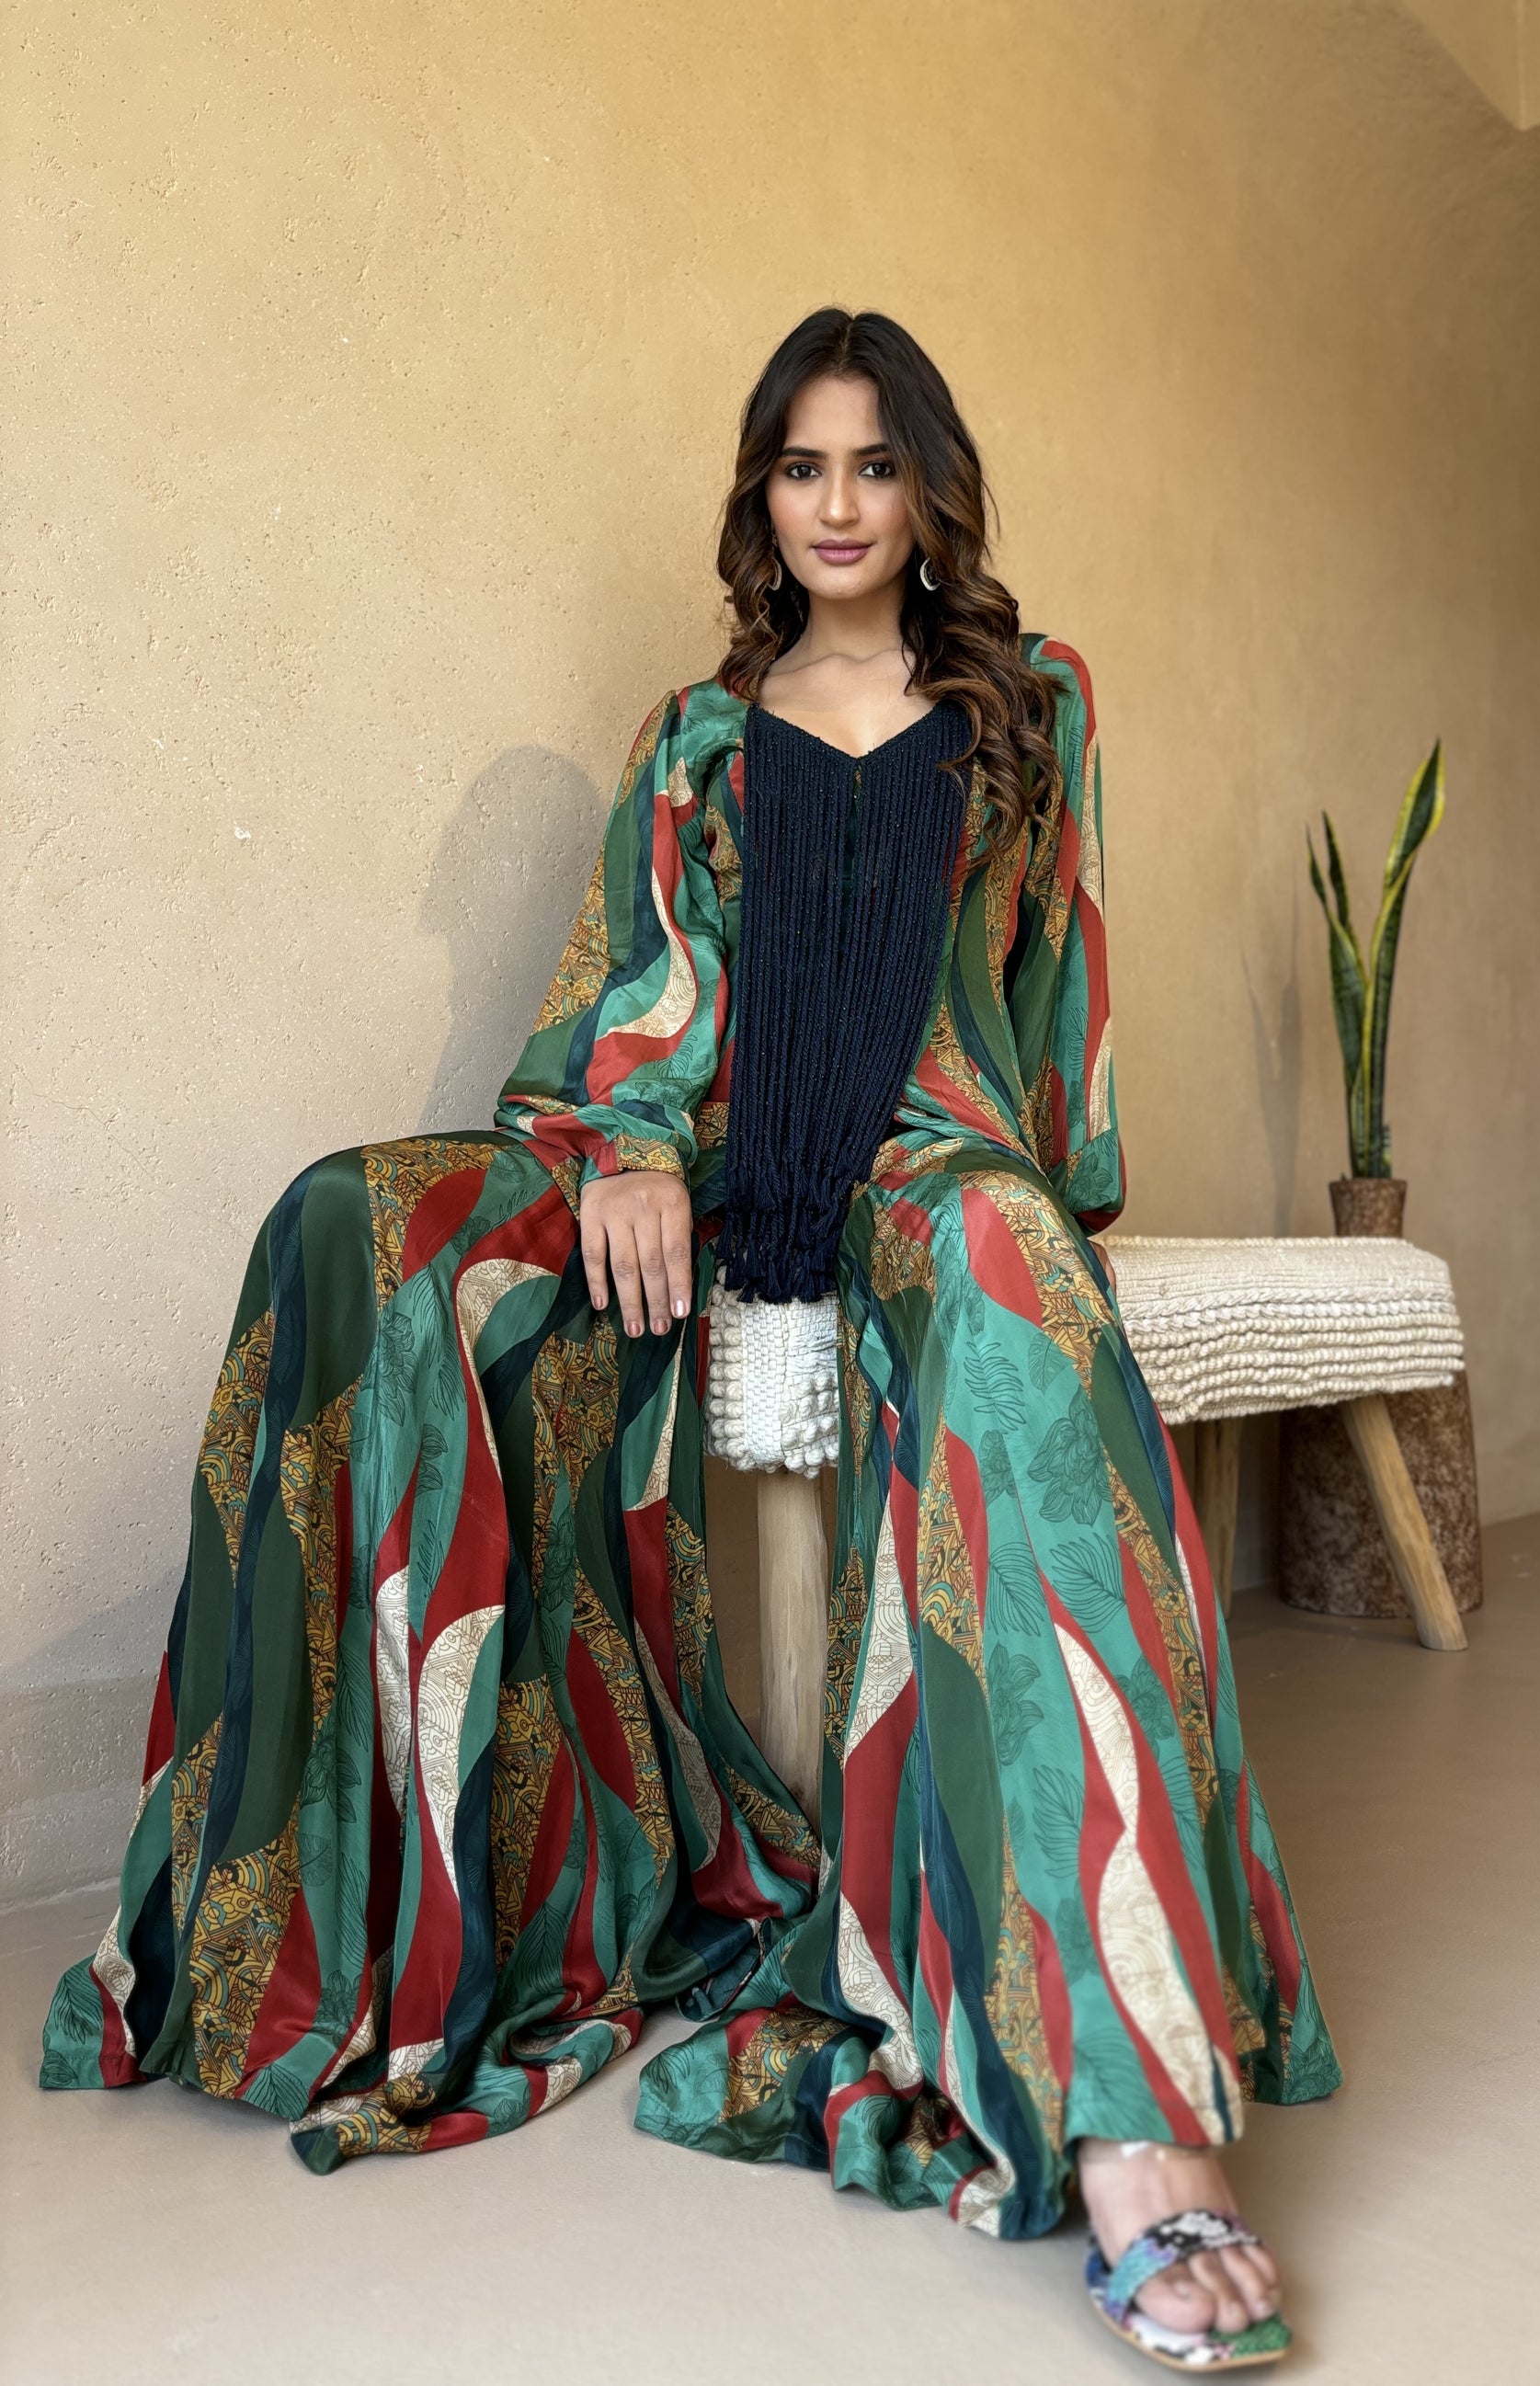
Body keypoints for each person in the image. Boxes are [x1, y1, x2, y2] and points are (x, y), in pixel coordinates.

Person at [42, 306, 1340, 2372]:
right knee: (351, 1220)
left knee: (1009, 1269)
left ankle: (1134, 2125)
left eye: (874, 464)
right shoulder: (696, 738)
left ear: (929, 489)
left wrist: (1039, 1210)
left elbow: (1055, 1007)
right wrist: (632, 1147)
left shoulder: (1033, 706)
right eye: (800, 466)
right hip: (690, 1158)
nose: (837, 503)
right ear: (762, 495)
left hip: (920, 1167)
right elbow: (628, 999)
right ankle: (295, 1934)